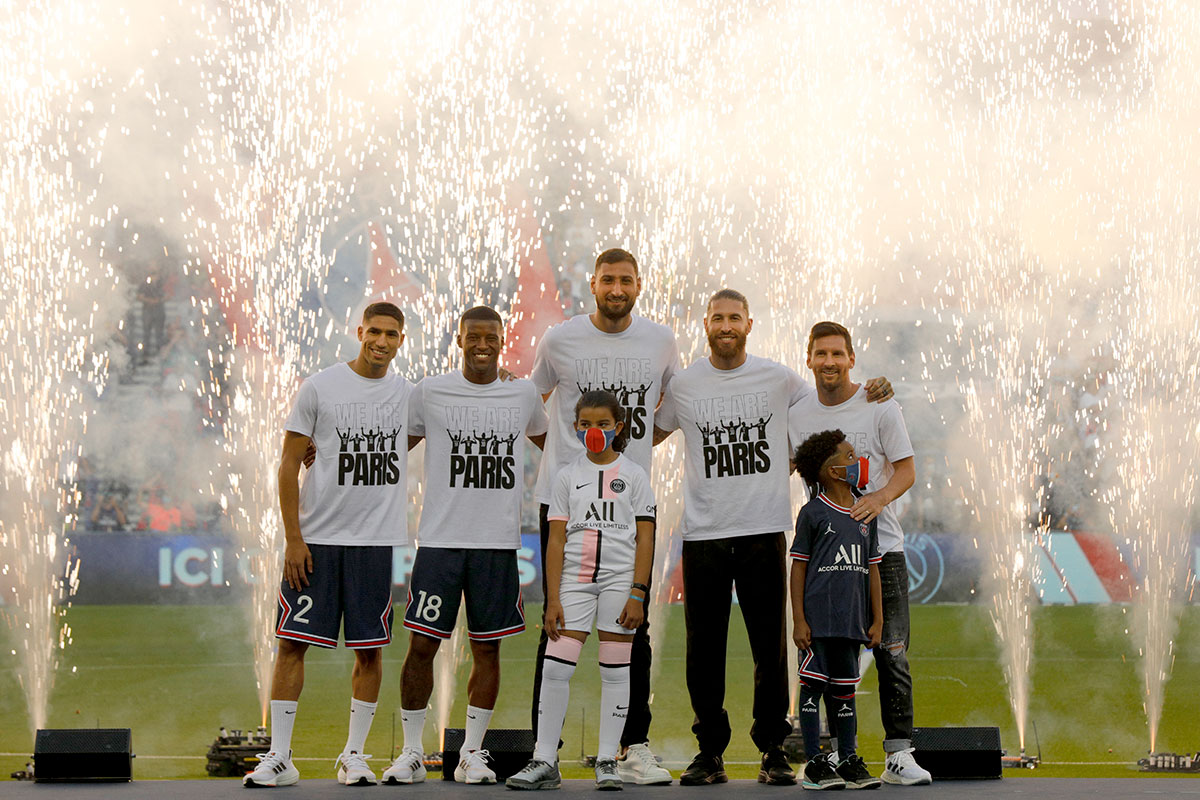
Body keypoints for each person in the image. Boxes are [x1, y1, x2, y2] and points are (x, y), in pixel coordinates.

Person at [653, 290, 892, 786]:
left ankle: (772, 749)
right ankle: (709, 751)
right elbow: (648, 431)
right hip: (705, 533)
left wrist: (873, 389)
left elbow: (831, 405)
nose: (725, 325)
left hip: (764, 528)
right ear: (705, 324)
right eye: (717, 317)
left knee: (770, 647)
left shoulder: (779, 378)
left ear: (748, 324)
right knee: (705, 648)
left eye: (734, 317)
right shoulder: (685, 383)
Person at [242, 302, 413, 788]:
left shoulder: (409, 394)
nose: (381, 341)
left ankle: (354, 755)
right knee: (292, 644)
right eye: (374, 331)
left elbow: (423, 432)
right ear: (359, 331)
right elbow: (287, 465)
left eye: (392, 334)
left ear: (402, 340)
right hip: (315, 541)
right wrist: (293, 539)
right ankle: (279, 756)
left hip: (375, 543)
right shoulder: (320, 386)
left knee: (369, 650)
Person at [528, 247, 679, 785]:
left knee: (632, 629)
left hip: (628, 500)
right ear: (592, 283)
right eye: (608, 279)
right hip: (566, 498)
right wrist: (562, 455)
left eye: (626, 281)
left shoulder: (661, 339)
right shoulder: (560, 338)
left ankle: (631, 747)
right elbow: (530, 400)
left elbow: (673, 408)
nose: (616, 288)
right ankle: (543, 752)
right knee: (557, 628)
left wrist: (632, 455)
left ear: (640, 285)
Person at [383, 306, 548, 786]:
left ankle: (472, 753)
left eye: (491, 337)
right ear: (458, 339)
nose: (482, 345)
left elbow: (554, 446)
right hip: (438, 543)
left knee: (487, 650)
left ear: (502, 340)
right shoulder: (429, 391)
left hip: (497, 547)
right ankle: (413, 751)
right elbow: (392, 446)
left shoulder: (522, 393)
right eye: (473, 336)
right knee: (421, 646)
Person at [788, 321, 929, 786]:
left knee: (891, 649)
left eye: (838, 354)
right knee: (825, 654)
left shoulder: (879, 403)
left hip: (880, 549)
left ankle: (899, 753)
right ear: (808, 358)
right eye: (820, 354)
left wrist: (878, 499)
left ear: (851, 358)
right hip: (827, 559)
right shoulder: (797, 411)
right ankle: (829, 756)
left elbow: (906, 470)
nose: (829, 362)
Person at [507, 390, 656, 791]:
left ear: (619, 428)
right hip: (574, 582)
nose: (594, 431)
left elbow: (646, 538)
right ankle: (544, 759)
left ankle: (608, 758)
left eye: (603, 424)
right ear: (575, 428)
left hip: (619, 582)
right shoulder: (567, 476)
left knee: (615, 670)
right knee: (555, 667)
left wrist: (638, 592)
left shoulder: (636, 476)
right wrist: (551, 598)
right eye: (586, 424)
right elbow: (555, 541)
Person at [790, 430, 883, 790]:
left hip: (852, 622)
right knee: (813, 688)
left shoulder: (865, 511)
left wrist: (877, 618)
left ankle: (848, 759)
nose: (858, 462)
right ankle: (815, 763)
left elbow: (872, 567)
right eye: (849, 457)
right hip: (819, 622)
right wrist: (799, 619)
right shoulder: (813, 513)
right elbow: (798, 566)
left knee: (845, 693)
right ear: (832, 471)